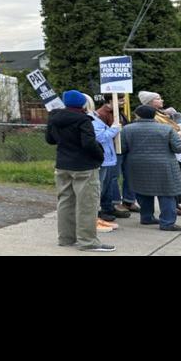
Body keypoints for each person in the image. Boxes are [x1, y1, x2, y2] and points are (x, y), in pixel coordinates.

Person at [46, 90, 113, 252]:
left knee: (65, 202)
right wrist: (100, 155)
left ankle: (66, 238)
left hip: (62, 164)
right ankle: (88, 241)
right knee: (87, 204)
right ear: (83, 103)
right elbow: (88, 143)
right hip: (84, 166)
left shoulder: (54, 118)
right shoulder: (83, 120)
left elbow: (50, 140)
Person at [121, 105, 181, 232]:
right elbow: (179, 148)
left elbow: (123, 148)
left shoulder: (127, 129)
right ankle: (167, 223)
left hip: (137, 164)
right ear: (154, 115)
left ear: (137, 115)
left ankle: (146, 217)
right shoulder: (166, 129)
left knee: (143, 191)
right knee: (167, 193)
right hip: (164, 165)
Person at [138, 91, 181, 216]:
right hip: (165, 152)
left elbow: (172, 128)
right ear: (150, 102)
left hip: (173, 150)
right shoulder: (153, 117)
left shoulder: (162, 114)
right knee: (174, 181)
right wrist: (178, 135)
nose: (162, 100)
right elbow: (159, 133)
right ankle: (171, 207)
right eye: (158, 98)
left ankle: (175, 204)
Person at [84, 95, 125, 233]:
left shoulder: (93, 116)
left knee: (103, 186)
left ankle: (96, 217)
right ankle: (93, 218)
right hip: (102, 157)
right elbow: (100, 137)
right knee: (98, 188)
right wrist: (114, 129)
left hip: (106, 157)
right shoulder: (91, 119)